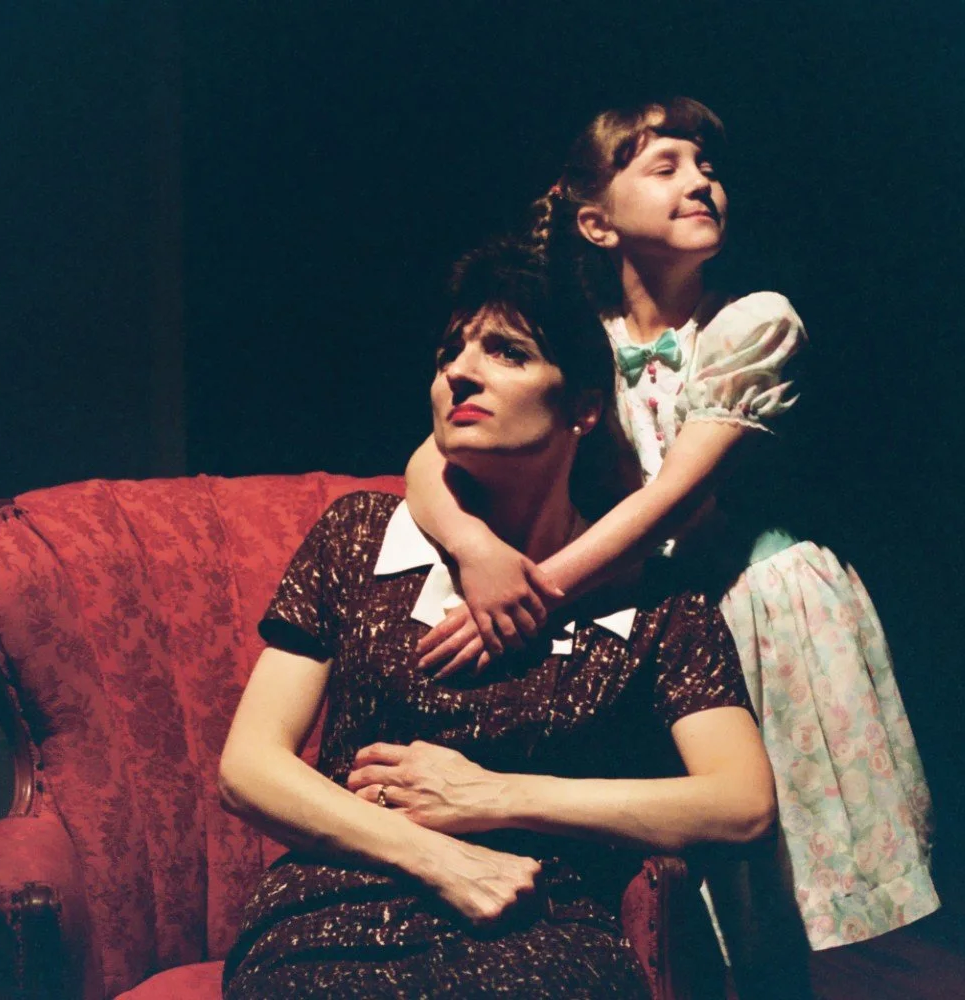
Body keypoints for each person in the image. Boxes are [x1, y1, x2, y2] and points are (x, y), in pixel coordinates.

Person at [404, 97, 939, 990]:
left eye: (710, 167)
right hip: (643, 617)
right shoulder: (579, 338)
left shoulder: (753, 322)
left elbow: (672, 502)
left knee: (767, 905)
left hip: (751, 608)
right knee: (662, 894)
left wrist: (531, 597)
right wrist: (476, 551)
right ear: (595, 219)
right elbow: (428, 455)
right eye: (667, 167)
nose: (701, 181)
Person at [217, 239, 776, 999]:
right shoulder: (361, 537)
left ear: (582, 405)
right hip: (342, 901)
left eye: (506, 352)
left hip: (544, 919)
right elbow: (249, 768)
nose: (459, 371)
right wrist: (440, 857)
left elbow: (741, 806)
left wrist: (497, 796)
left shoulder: (659, 602)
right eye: (450, 352)